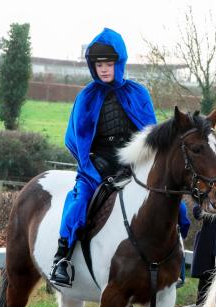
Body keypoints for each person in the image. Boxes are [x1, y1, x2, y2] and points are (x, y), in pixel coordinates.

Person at [50, 28, 157, 287]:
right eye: (99, 64)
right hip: (96, 165)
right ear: (93, 66)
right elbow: (74, 138)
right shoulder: (85, 97)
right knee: (79, 200)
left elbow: (151, 134)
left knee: (171, 202)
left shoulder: (138, 93)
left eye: (109, 63)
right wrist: (92, 164)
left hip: (132, 165)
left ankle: (170, 263)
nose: (104, 69)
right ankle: (62, 257)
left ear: (118, 63)